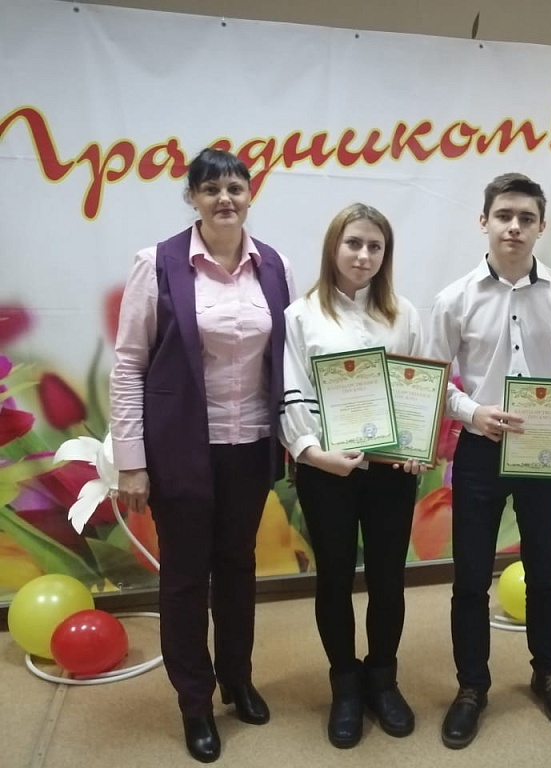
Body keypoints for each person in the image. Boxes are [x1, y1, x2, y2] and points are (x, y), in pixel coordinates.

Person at [110, 148, 294, 763]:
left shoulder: (275, 266)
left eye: (235, 187)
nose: (224, 198)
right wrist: (131, 459)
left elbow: (289, 358)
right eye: (210, 188)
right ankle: (195, 701)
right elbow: (128, 364)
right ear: (192, 197)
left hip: (251, 446)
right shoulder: (157, 264)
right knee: (187, 578)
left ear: (250, 195)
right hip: (180, 449)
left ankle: (237, 680)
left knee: (239, 568)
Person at [426, 172, 551, 749]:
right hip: (480, 449)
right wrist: (473, 412)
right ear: (485, 222)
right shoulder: (454, 299)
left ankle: (548, 674)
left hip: (546, 451)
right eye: (504, 215)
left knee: (545, 570)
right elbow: (433, 382)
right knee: (471, 576)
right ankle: (471, 687)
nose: (515, 227)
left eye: (526, 218)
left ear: (541, 226)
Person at [279, 203, 424, 749]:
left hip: (391, 473)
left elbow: (417, 387)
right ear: (333, 248)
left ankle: (383, 680)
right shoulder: (301, 315)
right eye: (354, 243)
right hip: (326, 472)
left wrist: (414, 446)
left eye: (375, 246)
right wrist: (316, 455)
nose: (364, 255)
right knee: (335, 579)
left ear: (386, 255)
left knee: (388, 577)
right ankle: (344, 684)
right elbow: (291, 391)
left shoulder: (404, 314)